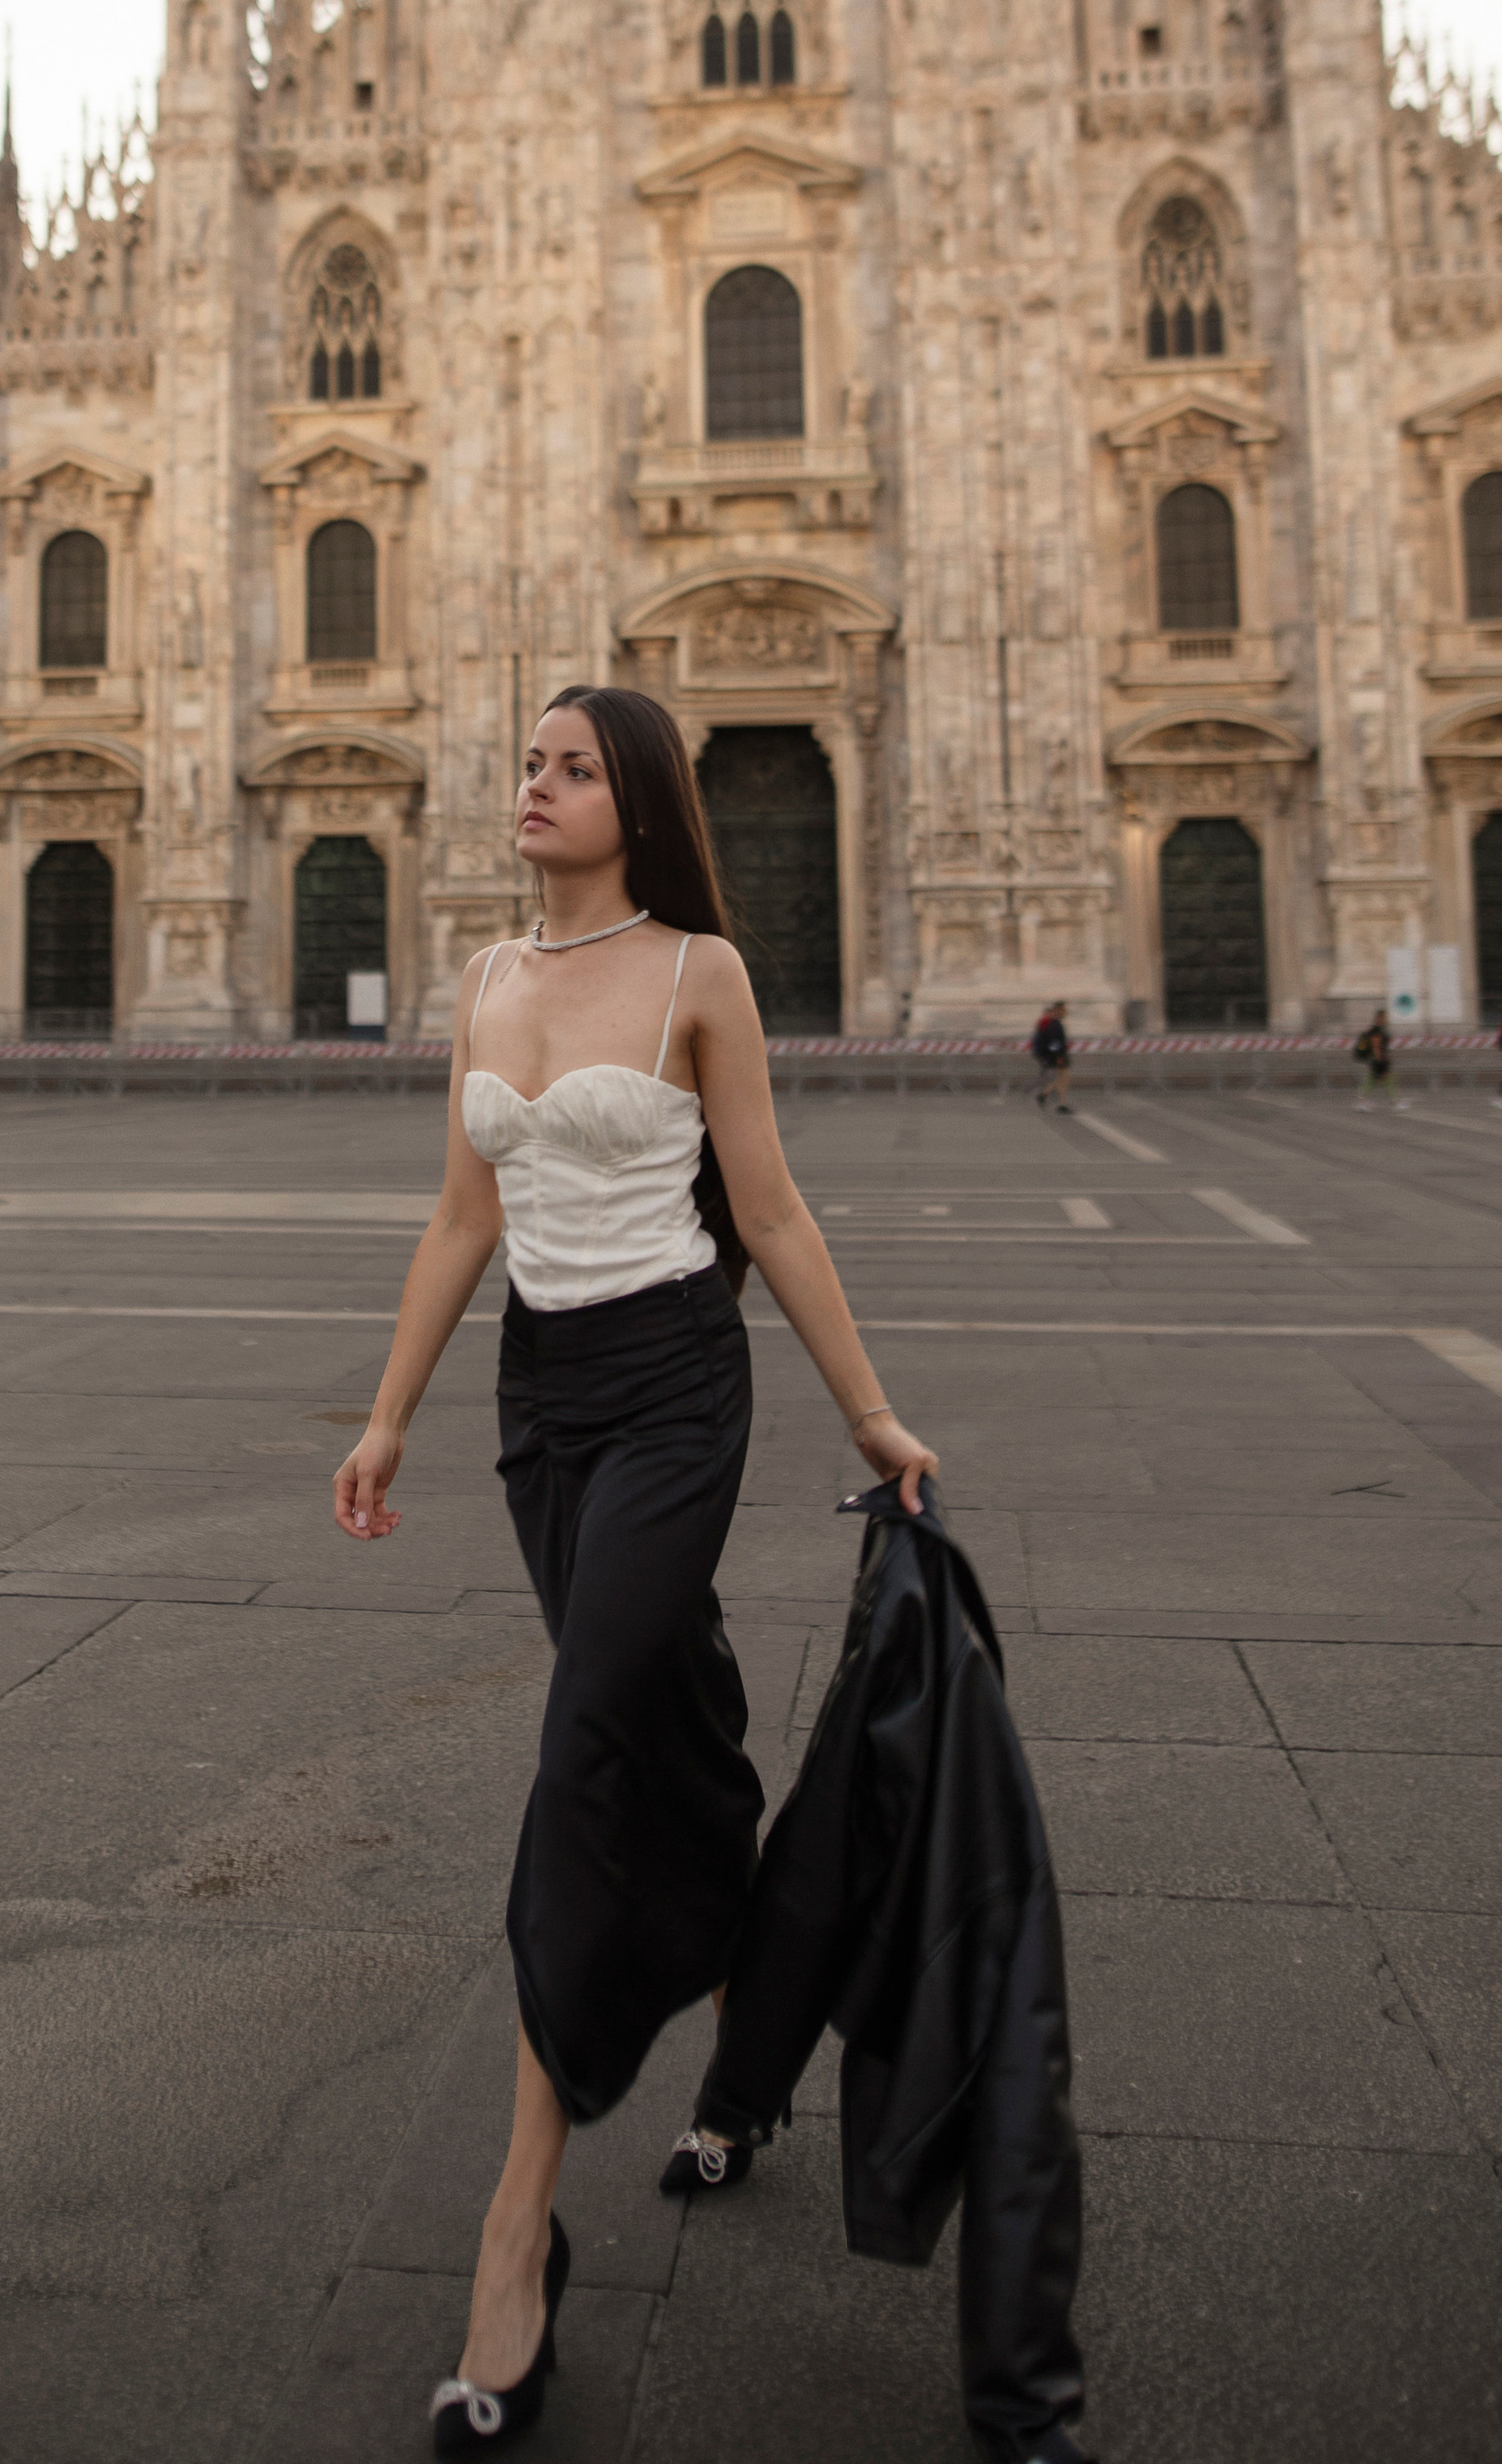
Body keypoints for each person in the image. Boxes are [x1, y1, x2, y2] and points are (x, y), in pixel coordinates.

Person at [333, 685, 939, 2455]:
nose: (532, 785)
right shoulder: (490, 982)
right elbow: (462, 1215)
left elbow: (767, 1213)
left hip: (679, 1387)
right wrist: (382, 1421)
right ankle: (748, 2053)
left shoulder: (698, 975)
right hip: (546, 1408)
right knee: (665, 1734)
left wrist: (870, 1416)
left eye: (569, 766)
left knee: (588, 1744)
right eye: (527, 762)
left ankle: (513, 2233)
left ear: (642, 800)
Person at [1353, 1006, 1403, 1109]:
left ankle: (1361, 1101)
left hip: (1376, 1059)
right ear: (1379, 1018)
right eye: (1384, 1017)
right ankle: (1394, 1102)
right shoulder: (1376, 1031)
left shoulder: (1378, 1030)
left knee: (1374, 1080)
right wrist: (1380, 1060)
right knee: (1385, 1078)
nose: (1386, 1019)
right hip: (1377, 1059)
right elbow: (1376, 1046)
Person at [1029, 998, 1072, 1113]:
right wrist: (1058, 1056)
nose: (1065, 1012)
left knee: (1061, 1080)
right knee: (1062, 1080)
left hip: (1058, 1056)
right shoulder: (1054, 1024)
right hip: (1059, 1057)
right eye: (1063, 1010)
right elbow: (1054, 1043)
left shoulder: (1054, 1023)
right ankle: (1058, 1103)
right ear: (1058, 1010)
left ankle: (1046, 1096)